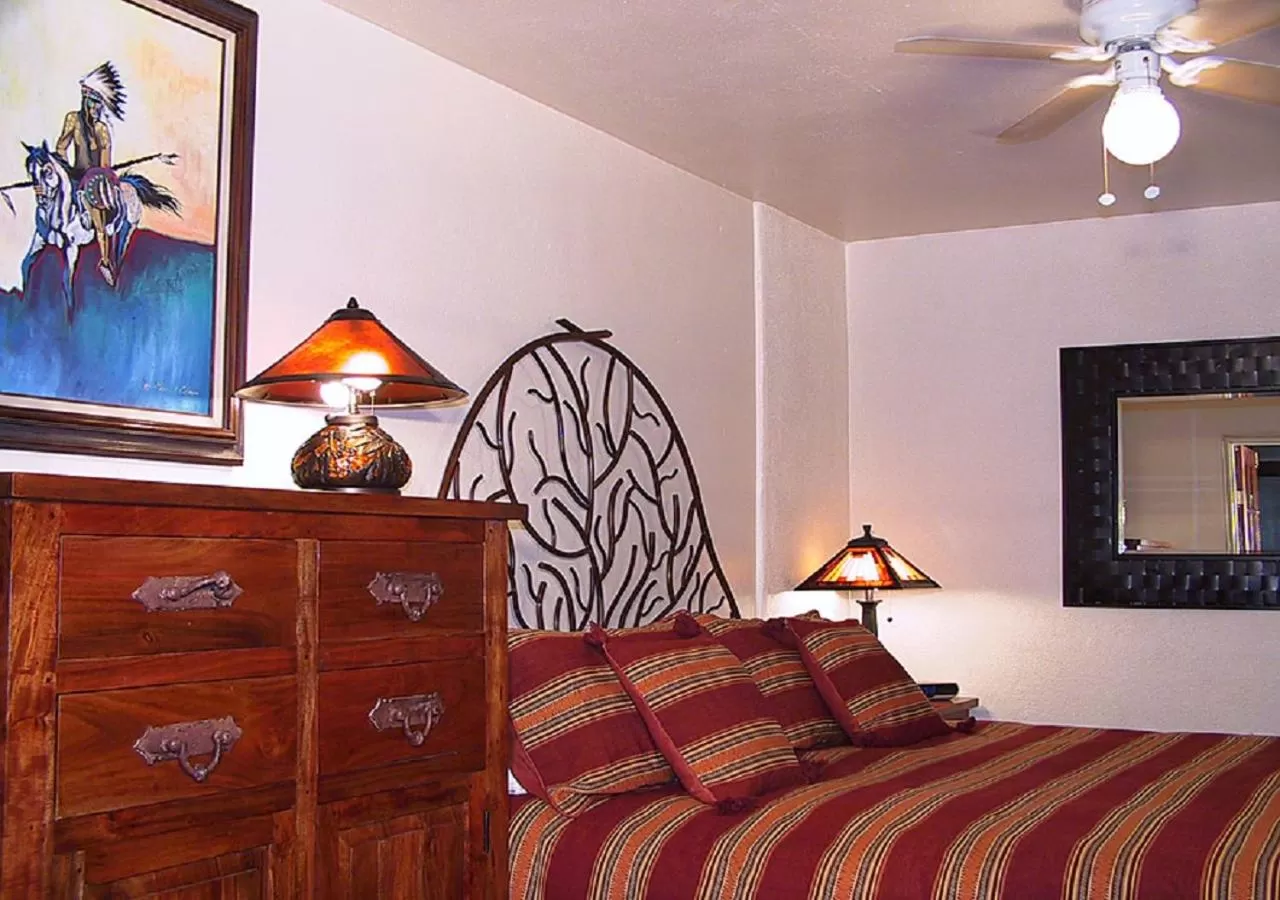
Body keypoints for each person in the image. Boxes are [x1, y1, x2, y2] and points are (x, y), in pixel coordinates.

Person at [54, 62, 127, 286]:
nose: (96, 109)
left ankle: (105, 260)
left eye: (99, 104)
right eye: (94, 103)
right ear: (86, 100)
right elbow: (61, 146)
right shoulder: (72, 120)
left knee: (97, 215)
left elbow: (105, 164)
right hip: (75, 174)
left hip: (94, 180)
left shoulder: (102, 130)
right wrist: (64, 167)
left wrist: (94, 179)